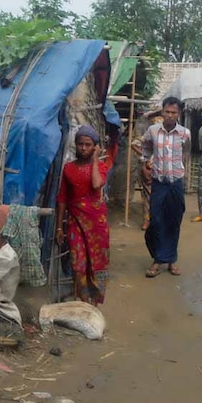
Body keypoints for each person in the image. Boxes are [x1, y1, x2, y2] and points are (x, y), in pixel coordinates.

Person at [55, 125, 111, 304]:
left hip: (96, 223)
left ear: (95, 147)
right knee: (78, 262)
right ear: (75, 145)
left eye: (88, 145)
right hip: (75, 221)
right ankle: (84, 299)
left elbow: (96, 184)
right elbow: (62, 198)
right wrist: (58, 226)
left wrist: (95, 160)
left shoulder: (101, 167)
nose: (84, 148)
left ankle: (95, 300)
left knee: (97, 261)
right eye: (80, 144)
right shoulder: (68, 169)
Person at [142, 97, 190, 278]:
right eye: (167, 112)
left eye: (174, 112)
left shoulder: (185, 133)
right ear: (162, 112)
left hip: (176, 183)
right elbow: (145, 147)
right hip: (159, 182)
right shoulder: (153, 131)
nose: (170, 116)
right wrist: (145, 162)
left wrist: (179, 167)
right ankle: (157, 257)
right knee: (155, 221)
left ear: (179, 114)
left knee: (174, 220)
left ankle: (170, 260)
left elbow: (186, 152)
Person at [131, 115, 163, 231]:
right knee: (147, 196)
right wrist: (145, 157)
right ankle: (147, 220)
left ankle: (157, 221)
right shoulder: (148, 137)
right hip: (149, 169)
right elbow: (134, 144)